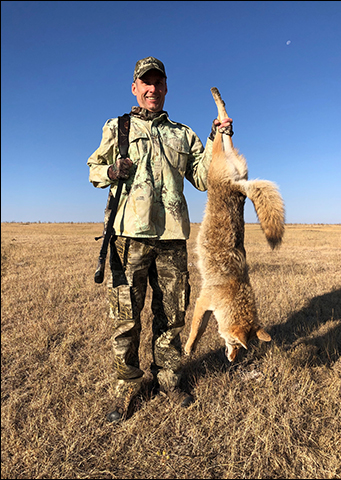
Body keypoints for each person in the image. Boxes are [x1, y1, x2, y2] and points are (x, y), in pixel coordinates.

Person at [87, 56, 233, 423]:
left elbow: (204, 177)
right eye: (145, 82)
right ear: (135, 88)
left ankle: (168, 378)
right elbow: (93, 170)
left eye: (158, 82)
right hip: (127, 238)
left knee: (171, 316)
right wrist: (111, 169)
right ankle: (129, 385)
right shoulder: (117, 127)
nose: (152, 88)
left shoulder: (183, 135)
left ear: (166, 88)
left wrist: (218, 137)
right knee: (126, 319)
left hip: (171, 238)